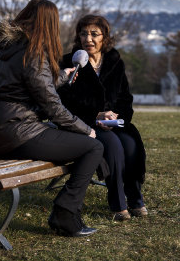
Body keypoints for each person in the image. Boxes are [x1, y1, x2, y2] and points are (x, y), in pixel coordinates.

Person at [0, 0, 103, 237]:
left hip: (9, 129)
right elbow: (52, 105)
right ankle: (65, 211)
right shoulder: (33, 52)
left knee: (89, 145)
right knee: (93, 146)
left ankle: (66, 210)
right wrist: (85, 129)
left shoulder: (13, 47)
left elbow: (33, 83)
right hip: (20, 132)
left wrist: (62, 75)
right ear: (48, 23)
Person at [58, 14, 147, 221]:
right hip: (84, 124)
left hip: (115, 123)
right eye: (83, 34)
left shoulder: (114, 61)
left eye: (94, 34)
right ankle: (118, 205)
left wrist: (116, 116)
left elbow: (126, 98)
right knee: (113, 146)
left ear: (104, 38)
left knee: (131, 145)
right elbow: (64, 103)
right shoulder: (70, 63)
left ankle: (135, 199)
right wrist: (95, 116)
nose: (88, 39)